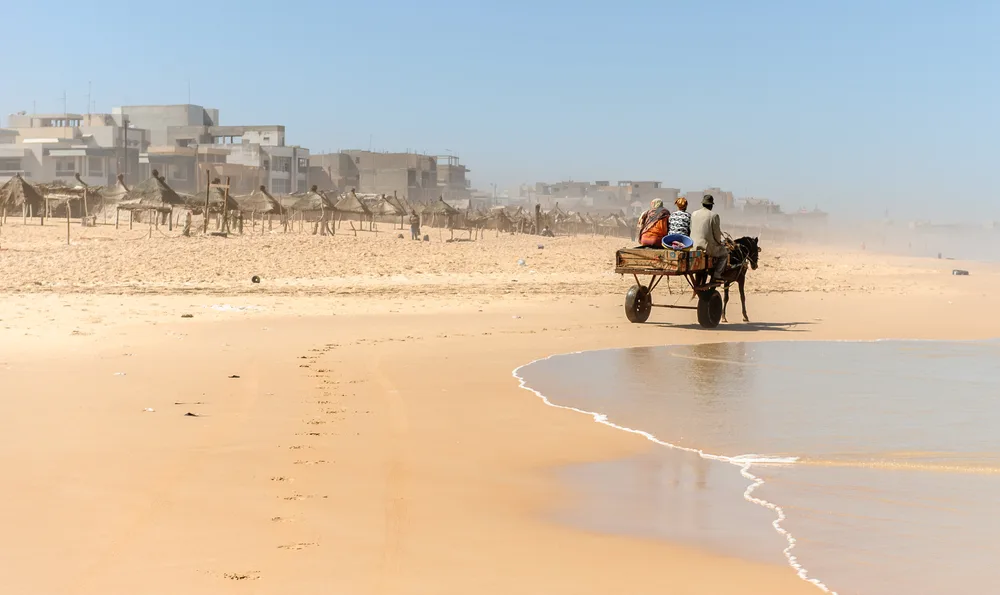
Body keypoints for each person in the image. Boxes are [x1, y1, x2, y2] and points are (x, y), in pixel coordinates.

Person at [690, 194, 728, 279]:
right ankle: (717, 274)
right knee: (724, 253)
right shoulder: (714, 216)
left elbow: (691, 228)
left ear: (702, 204)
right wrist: (720, 243)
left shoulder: (694, 214)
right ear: (711, 205)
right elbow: (717, 234)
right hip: (706, 247)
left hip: (693, 246)